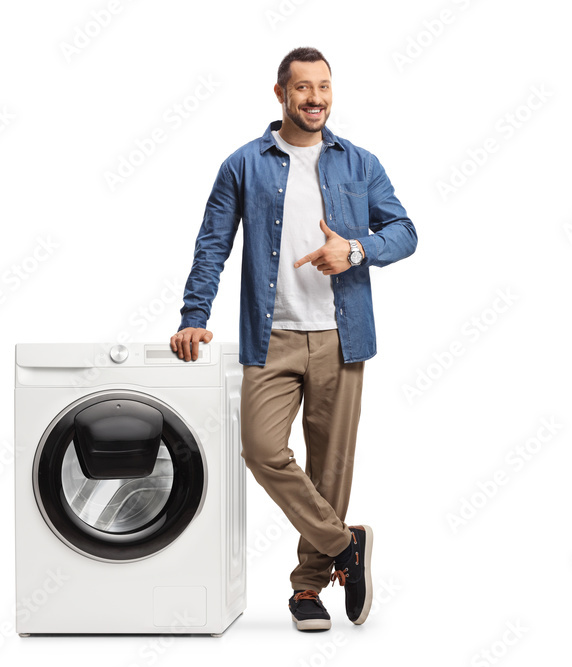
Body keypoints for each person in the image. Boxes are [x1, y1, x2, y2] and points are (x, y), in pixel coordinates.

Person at [169, 46, 417, 632]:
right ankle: (344, 544)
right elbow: (212, 246)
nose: (315, 99)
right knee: (261, 448)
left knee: (329, 467)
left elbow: (404, 231)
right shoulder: (243, 164)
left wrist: (354, 250)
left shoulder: (359, 163)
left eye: (324, 87)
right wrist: (191, 315)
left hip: (341, 336)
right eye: (303, 88)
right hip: (271, 335)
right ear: (280, 93)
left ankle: (308, 589)